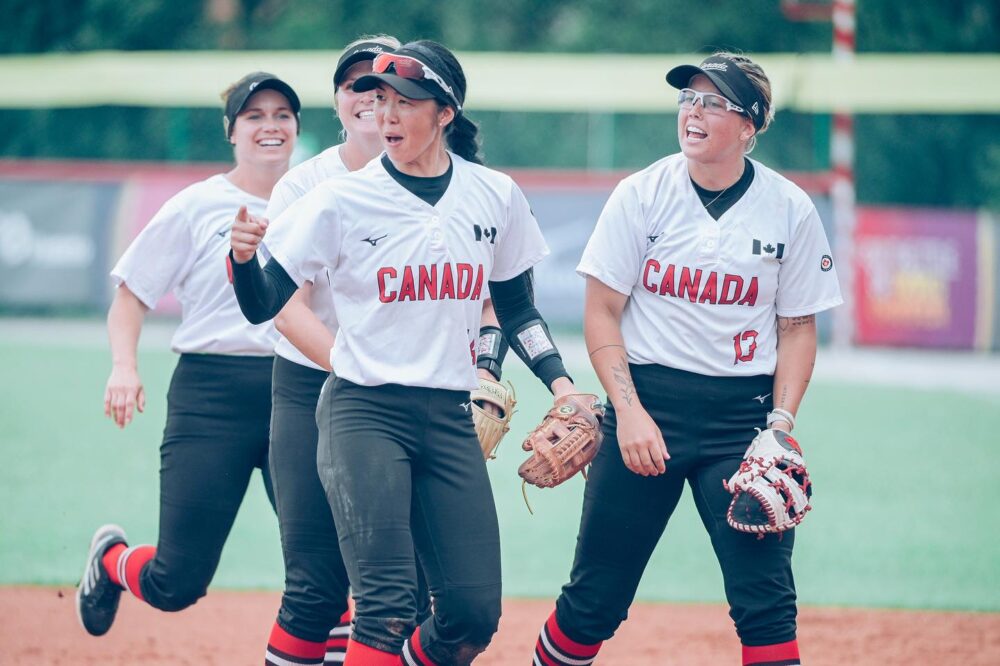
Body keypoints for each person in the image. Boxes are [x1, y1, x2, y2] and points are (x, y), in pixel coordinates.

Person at [228, 39, 584, 666]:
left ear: (445, 112)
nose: (386, 115)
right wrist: (241, 257)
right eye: (380, 100)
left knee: (472, 614)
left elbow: (517, 308)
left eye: (405, 103)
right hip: (363, 412)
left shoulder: (493, 194)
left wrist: (561, 386)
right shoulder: (341, 199)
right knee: (387, 604)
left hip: (448, 416)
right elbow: (264, 305)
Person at [532, 52, 843, 666]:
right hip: (645, 411)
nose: (693, 111)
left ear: (750, 126)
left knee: (766, 603)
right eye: (688, 99)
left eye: (713, 102)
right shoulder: (643, 193)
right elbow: (601, 311)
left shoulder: (788, 208)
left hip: (741, 421)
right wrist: (629, 410)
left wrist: (780, 427)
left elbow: (798, 327)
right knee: (595, 599)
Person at [76, 72, 301, 638]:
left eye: (282, 115)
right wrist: (124, 366)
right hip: (212, 396)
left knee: (327, 565)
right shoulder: (197, 205)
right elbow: (130, 298)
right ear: (232, 132)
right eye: (254, 116)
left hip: (299, 393)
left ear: (298, 127)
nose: (269, 126)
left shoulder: (320, 201)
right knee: (176, 584)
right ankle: (110, 560)